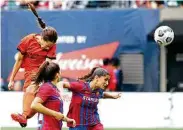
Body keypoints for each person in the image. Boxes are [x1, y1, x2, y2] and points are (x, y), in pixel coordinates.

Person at [8, 3, 58, 127]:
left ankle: (24, 116)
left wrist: (40, 78)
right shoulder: (28, 40)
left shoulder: (51, 45)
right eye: (47, 45)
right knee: (33, 98)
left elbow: (48, 63)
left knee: (33, 91)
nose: (48, 48)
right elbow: (19, 61)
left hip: (43, 73)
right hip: (29, 73)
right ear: (41, 38)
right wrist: (11, 79)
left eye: (50, 47)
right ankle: (25, 117)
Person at [31, 61, 76, 130]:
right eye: (60, 71)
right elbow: (34, 105)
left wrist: (67, 119)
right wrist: (55, 114)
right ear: (57, 75)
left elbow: (56, 112)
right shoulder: (47, 87)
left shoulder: (53, 88)